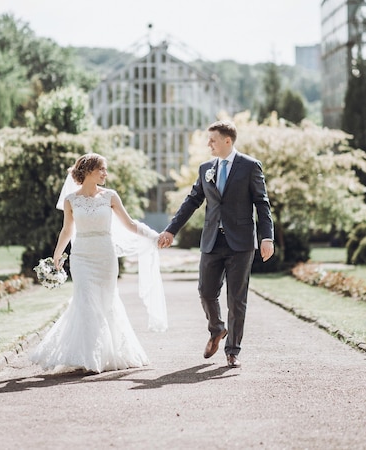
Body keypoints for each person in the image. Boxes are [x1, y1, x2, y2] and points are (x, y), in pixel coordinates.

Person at [30, 152, 166, 374]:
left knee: (105, 302)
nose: (106, 173)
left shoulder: (110, 196)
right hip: (81, 257)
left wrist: (154, 237)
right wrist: (57, 255)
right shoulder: (70, 200)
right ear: (89, 171)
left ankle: (105, 354)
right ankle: (87, 357)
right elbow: (67, 230)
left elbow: (130, 224)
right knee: (85, 302)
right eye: (102, 169)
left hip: (105, 257)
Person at [158, 120, 274, 368]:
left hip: (241, 243)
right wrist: (171, 230)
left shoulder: (250, 166)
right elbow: (192, 201)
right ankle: (217, 329)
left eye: (212, 139)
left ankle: (233, 351)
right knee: (206, 292)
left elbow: (262, 204)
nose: (208, 144)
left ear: (227, 140)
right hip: (212, 241)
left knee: (236, 298)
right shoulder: (205, 169)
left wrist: (267, 237)